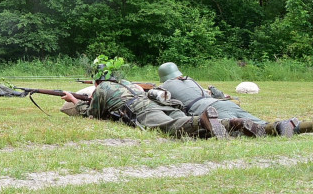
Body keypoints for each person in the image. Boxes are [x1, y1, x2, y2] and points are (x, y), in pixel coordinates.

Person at [156, 62, 302, 137]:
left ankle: (270, 130)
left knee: (238, 128)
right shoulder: (189, 79)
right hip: (223, 103)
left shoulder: (165, 86)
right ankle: (293, 126)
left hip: (207, 110)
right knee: (259, 121)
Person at [60, 79, 226, 138]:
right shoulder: (125, 82)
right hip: (161, 103)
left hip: (141, 109)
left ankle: (201, 120)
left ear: (97, 82)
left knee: (168, 127)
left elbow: (91, 114)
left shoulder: (101, 89)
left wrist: (74, 100)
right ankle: (233, 123)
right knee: (178, 119)